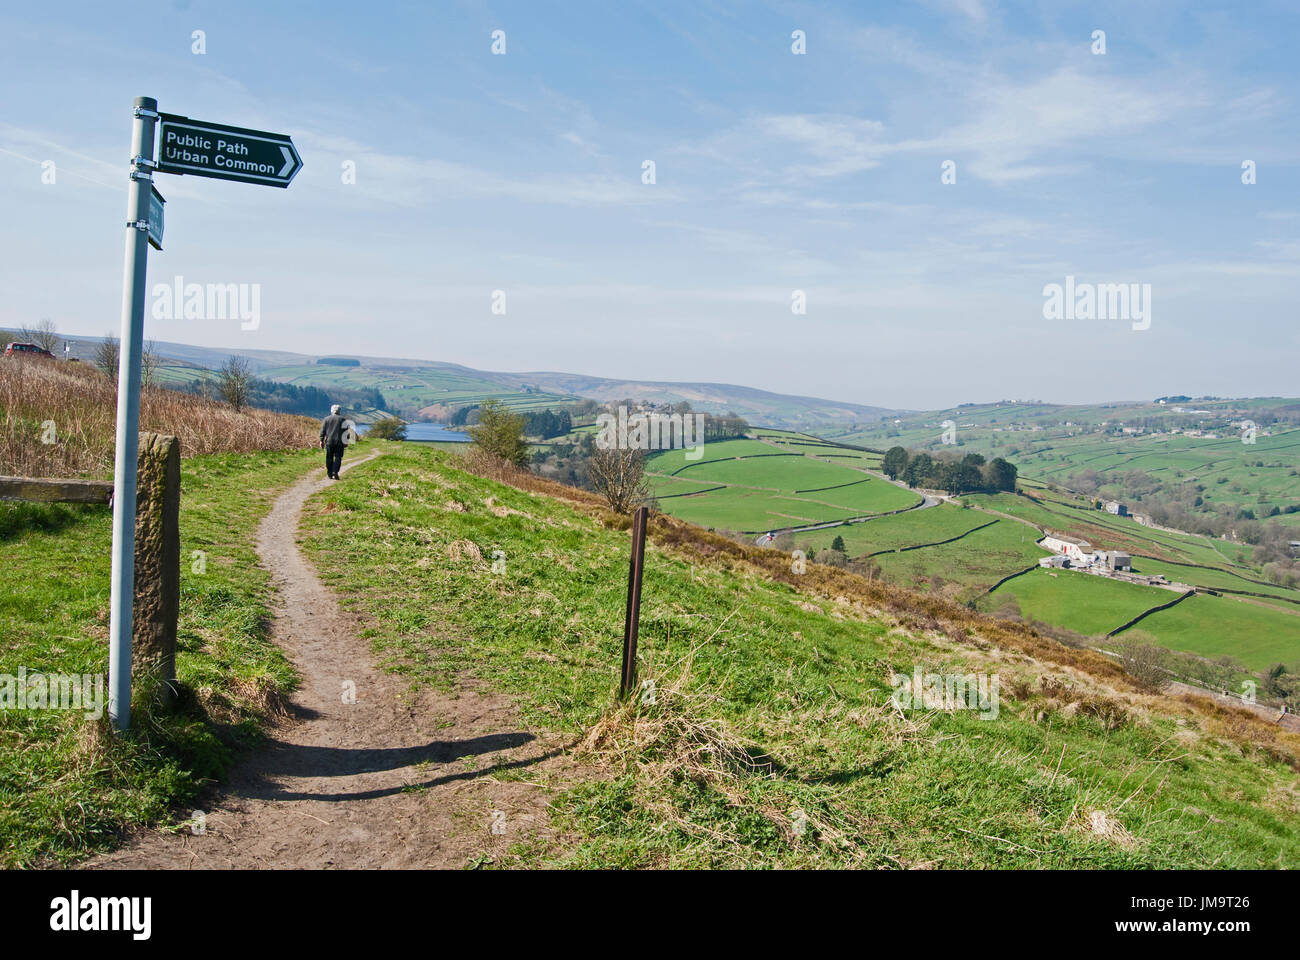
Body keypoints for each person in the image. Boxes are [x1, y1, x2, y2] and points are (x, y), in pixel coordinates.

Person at [320, 404, 347, 479]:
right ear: (339, 411)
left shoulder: (326, 419)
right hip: (339, 442)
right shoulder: (343, 419)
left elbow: (323, 431)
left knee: (329, 457)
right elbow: (346, 432)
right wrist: (346, 441)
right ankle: (335, 471)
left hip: (329, 441)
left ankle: (329, 473)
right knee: (338, 457)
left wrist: (321, 440)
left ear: (331, 411)